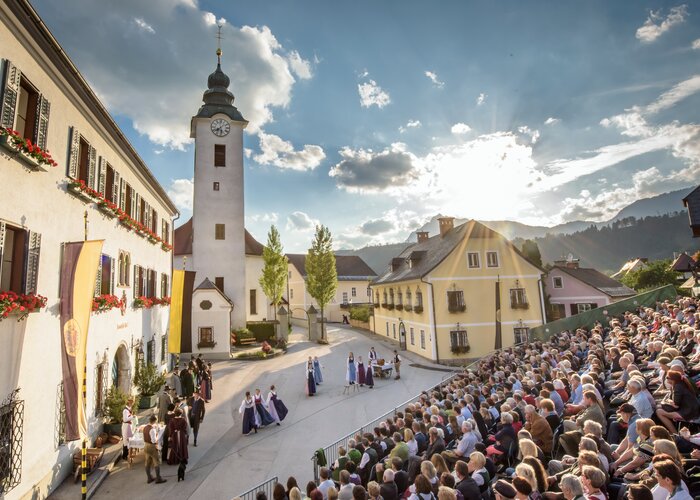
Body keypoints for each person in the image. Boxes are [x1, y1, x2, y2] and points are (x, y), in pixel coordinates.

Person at [142, 415, 167, 484]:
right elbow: (153, 440)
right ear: (154, 421)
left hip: (146, 446)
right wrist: (157, 436)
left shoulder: (145, 427)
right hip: (152, 447)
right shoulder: (152, 429)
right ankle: (158, 478)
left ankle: (149, 478)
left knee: (147, 462)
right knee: (156, 462)